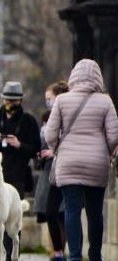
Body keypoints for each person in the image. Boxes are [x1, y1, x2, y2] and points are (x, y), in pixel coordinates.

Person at [43, 59, 118, 261]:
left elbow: (50, 134)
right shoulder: (106, 101)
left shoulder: (62, 100)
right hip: (96, 163)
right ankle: (95, 255)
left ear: (73, 76)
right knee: (95, 212)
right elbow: (114, 137)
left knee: (71, 210)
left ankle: (74, 256)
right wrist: (107, 153)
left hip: (68, 162)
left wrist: (57, 148)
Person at [0, 81, 40, 260]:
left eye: (14, 100)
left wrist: (19, 144)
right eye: (7, 100)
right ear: (2, 98)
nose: (10, 103)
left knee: (12, 219)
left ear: (21, 100)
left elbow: (35, 149)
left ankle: (12, 256)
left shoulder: (28, 121)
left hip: (17, 176)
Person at [34, 81, 68, 261]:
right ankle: (57, 251)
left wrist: (53, 152)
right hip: (51, 170)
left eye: (49, 98)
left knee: (60, 213)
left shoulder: (64, 113)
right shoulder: (51, 116)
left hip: (63, 168)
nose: (48, 102)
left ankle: (60, 251)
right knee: (52, 213)